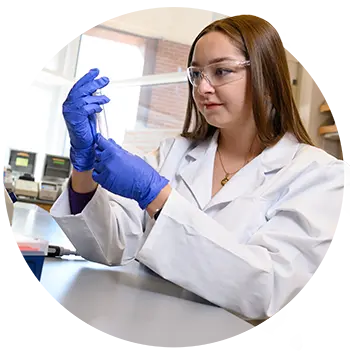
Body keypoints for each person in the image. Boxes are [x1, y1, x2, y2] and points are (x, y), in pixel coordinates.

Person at [50, 14, 350, 351]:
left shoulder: (322, 176)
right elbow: (107, 245)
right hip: (149, 332)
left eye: (221, 71)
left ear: (265, 73)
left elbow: (266, 289)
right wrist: (84, 166)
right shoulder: (175, 152)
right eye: (196, 74)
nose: (203, 88)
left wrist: (158, 196)